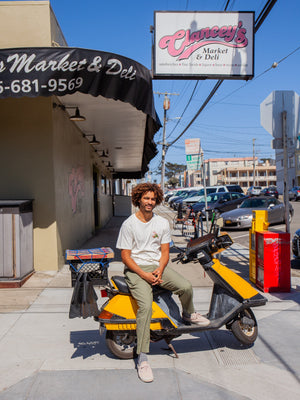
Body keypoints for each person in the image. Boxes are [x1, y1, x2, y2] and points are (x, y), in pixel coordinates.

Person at [116, 183, 209, 383]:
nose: (149, 202)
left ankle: (188, 313)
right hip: (136, 269)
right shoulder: (129, 224)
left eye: (152, 199)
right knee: (145, 307)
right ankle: (142, 357)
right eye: (146, 198)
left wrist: (159, 269)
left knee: (185, 286)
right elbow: (125, 256)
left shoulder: (161, 223)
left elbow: (165, 252)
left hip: (157, 267)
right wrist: (144, 274)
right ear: (138, 199)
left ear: (156, 200)